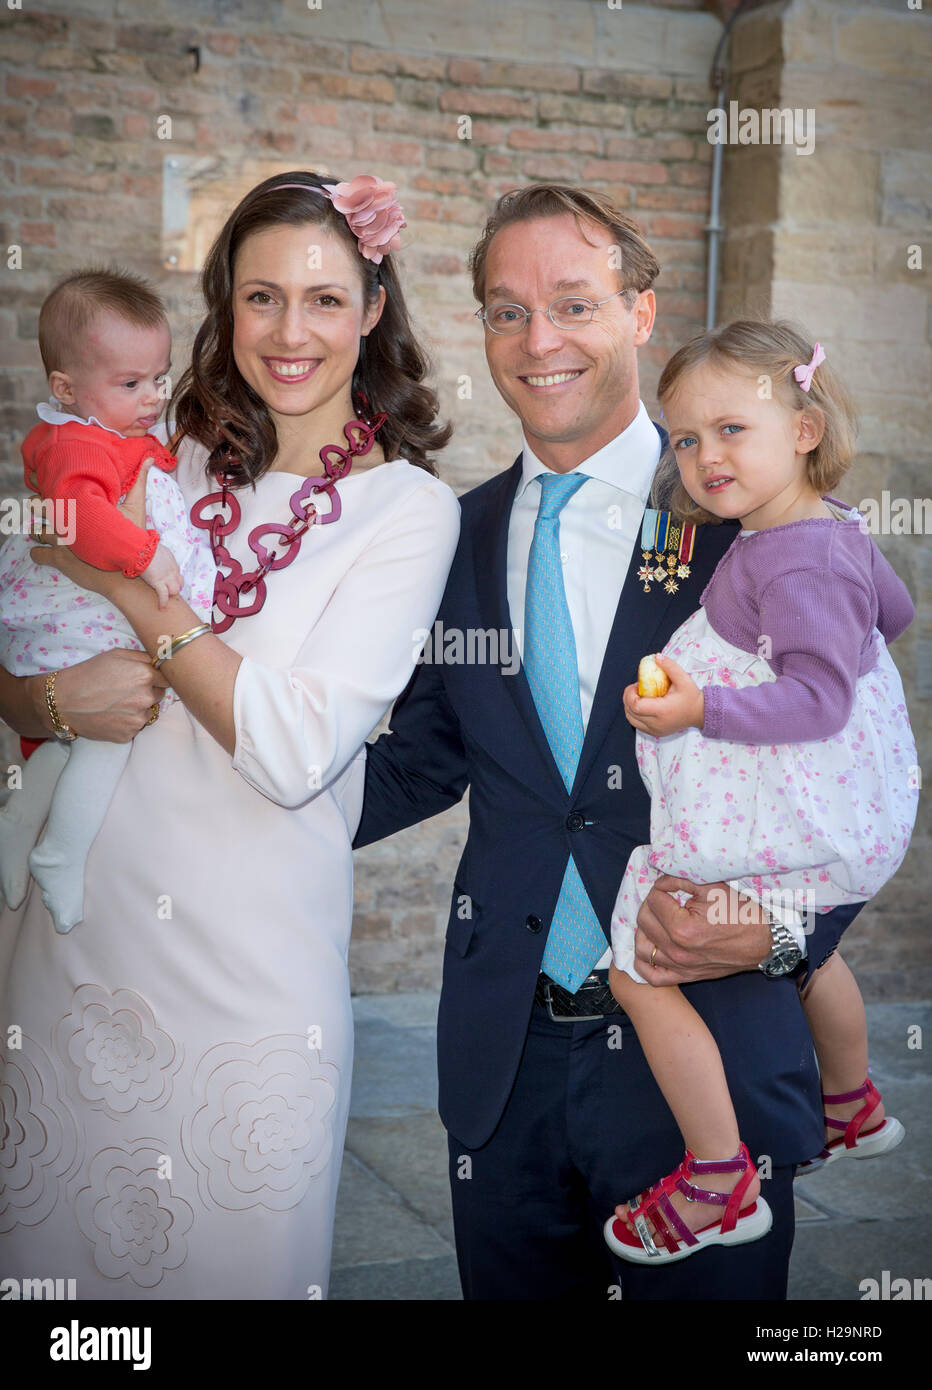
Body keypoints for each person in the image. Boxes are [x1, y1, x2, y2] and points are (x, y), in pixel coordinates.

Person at [353, 183, 867, 1300]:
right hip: (506, 1063)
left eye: (573, 304)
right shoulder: (458, 528)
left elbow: (862, 764)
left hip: (710, 1071)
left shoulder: (747, 515)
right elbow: (425, 757)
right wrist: (199, 798)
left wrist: (784, 937)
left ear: (639, 313)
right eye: (504, 311)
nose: (538, 341)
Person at [0, 170, 460, 1299]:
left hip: (249, 979)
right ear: (222, 309)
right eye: (259, 298)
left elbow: (295, 751)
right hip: (72, 948)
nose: (289, 331)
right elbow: (23, 648)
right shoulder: (166, 451)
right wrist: (51, 704)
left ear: (372, 308)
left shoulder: (408, 510)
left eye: (322, 297)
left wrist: (143, 606)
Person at [602, 319, 916, 1267]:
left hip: (781, 811)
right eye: (687, 439)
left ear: (806, 428)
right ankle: (852, 1103)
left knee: (638, 969)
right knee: (810, 955)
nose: (705, 458)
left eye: (733, 429)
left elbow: (820, 699)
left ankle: (717, 1174)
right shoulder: (833, 531)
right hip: (833, 822)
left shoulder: (795, 555)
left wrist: (704, 709)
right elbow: (891, 615)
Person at [0, 268, 217, 933]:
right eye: (131, 384)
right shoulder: (75, 443)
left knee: (65, 742)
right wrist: (147, 556)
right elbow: (81, 519)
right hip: (77, 610)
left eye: (159, 377)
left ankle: (16, 831)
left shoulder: (108, 430)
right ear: (66, 389)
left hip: (81, 608)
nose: (153, 396)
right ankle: (61, 854)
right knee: (110, 733)